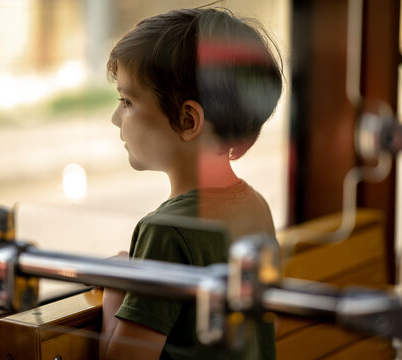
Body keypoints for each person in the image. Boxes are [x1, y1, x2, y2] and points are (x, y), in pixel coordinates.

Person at [100, 7, 283, 360]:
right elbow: (268, 325)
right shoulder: (256, 206)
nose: (115, 118)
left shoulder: (165, 231)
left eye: (127, 101)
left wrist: (115, 287)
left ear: (187, 119)